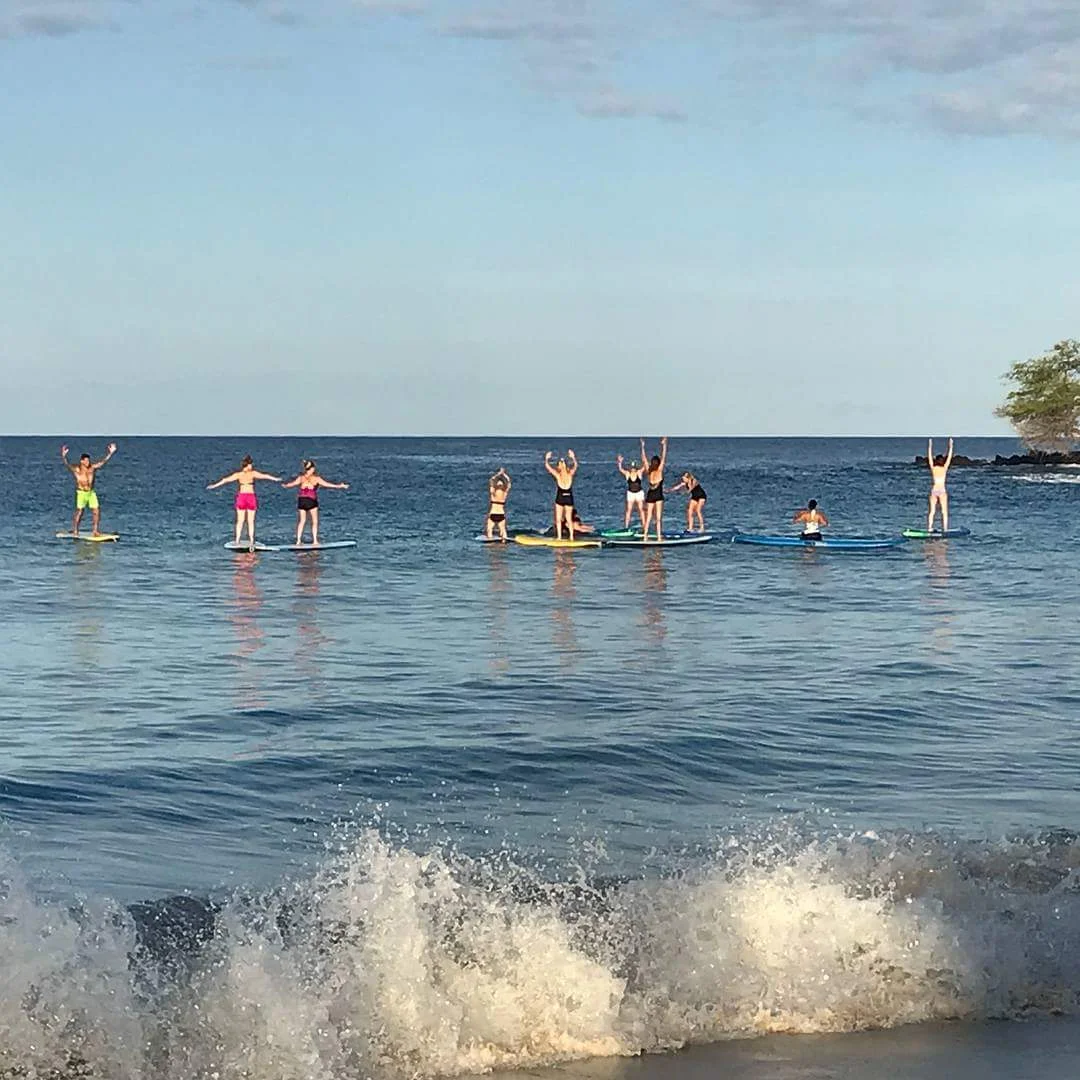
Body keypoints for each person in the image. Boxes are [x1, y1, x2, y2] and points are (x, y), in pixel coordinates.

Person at [207, 456, 282, 549]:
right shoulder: (251, 473)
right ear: (247, 465)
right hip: (249, 497)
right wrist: (275, 479)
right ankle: (250, 540)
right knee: (249, 521)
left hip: (242, 497)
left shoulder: (239, 474)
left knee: (241, 521)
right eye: (251, 465)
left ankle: (239, 540)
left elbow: (225, 480)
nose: (252, 466)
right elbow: (264, 476)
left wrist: (214, 486)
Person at [281, 460, 349, 546]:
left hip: (301, 500)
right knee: (314, 521)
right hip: (311, 500)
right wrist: (340, 486)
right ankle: (315, 541)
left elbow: (291, 484)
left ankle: (298, 541)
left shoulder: (301, 478)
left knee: (302, 521)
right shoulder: (316, 479)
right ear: (312, 468)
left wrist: (285, 485)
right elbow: (328, 484)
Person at [61, 442, 116, 537]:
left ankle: (95, 531)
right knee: (80, 512)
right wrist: (64, 456)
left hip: (91, 493)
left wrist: (110, 453)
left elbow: (102, 463)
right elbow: (67, 465)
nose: (88, 463)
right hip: (81, 493)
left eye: (88, 461)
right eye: (86, 461)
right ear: (81, 461)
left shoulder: (92, 468)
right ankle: (75, 530)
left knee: (96, 511)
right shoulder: (77, 469)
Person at [544, 450, 579, 540]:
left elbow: (548, 467)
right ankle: (566, 537)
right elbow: (575, 466)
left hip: (562, 498)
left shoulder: (562, 475)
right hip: (566, 498)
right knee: (563, 519)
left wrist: (547, 459)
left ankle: (565, 537)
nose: (561, 465)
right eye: (561, 463)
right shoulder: (565, 474)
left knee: (564, 519)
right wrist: (573, 457)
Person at [640, 436, 668, 542]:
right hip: (658, 495)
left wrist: (642, 447)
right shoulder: (659, 471)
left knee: (649, 517)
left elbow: (643, 459)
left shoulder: (649, 470)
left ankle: (645, 536)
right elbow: (664, 457)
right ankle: (659, 537)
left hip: (651, 494)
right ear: (658, 463)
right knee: (658, 518)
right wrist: (664, 445)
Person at [926, 437, 954, 533]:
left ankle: (929, 528)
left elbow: (929, 457)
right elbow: (949, 457)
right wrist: (950, 446)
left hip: (934, 490)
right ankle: (945, 529)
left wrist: (929, 446)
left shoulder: (933, 468)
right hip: (942, 491)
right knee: (944, 512)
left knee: (932, 511)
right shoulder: (944, 468)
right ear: (942, 461)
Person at [616, 454, 646, 530]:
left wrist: (644, 459)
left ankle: (644, 527)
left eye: (634, 468)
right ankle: (626, 527)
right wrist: (619, 462)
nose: (633, 469)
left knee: (641, 510)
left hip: (639, 493)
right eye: (632, 468)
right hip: (630, 493)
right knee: (628, 510)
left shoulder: (639, 473)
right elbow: (620, 469)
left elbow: (645, 466)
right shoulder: (627, 474)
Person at [485, 467, 511, 541]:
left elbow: (491, 481)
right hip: (501, 514)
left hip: (493, 513)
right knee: (503, 530)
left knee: (489, 530)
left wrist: (498, 474)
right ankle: (504, 543)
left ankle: (490, 544)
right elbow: (509, 484)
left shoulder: (493, 494)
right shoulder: (504, 494)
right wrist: (504, 475)